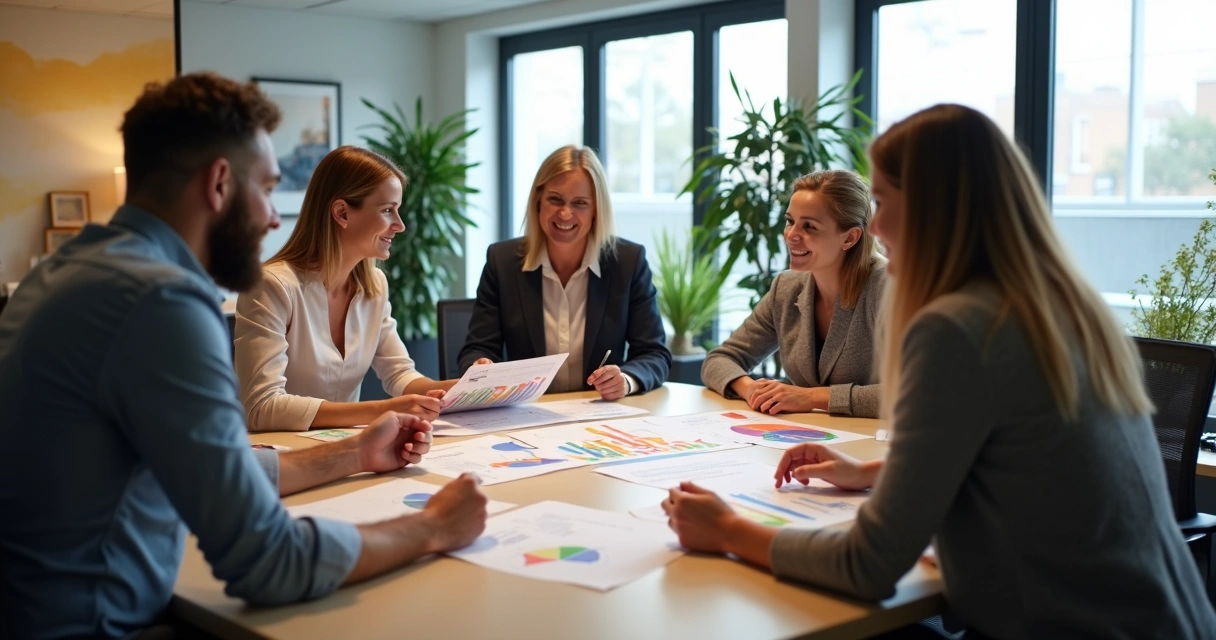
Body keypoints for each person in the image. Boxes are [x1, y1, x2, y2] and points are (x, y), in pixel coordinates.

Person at [662, 104, 1216, 638]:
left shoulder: (956, 328)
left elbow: (868, 564)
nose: (874, 227)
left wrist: (728, 530)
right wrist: (877, 470)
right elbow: (1010, 450)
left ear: (935, 207)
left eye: (881, 201)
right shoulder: (1059, 304)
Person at [0, 72, 488, 640]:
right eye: (266, 188)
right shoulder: (162, 303)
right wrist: (429, 527)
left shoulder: (57, 275)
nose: (273, 218)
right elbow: (269, 562)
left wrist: (353, 453)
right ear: (219, 183)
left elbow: (216, 464)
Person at [235, 145, 454, 432]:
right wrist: (383, 410)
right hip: (280, 458)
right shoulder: (271, 286)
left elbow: (400, 373)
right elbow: (263, 407)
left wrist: (461, 390)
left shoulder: (374, 285)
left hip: (350, 450)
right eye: (388, 210)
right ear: (342, 213)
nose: (399, 225)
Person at [459, 145, 671, 400]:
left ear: (596, 210)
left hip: (598, 414)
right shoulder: (502, 261)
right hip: (526, 414)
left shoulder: (628, 261)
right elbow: (478, 348)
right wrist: (481, 367)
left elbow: (654, 354)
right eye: (555, 199)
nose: (565, 213)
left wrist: (626, 380)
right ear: (538, 201)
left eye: (580, 203)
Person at [701, 169, 885, 417]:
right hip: (810, 436)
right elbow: (720, 359)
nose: (791, 235)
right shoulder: (787, 288)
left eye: (809, 226)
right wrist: (753, 390)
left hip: (878, 448)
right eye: (790, 221)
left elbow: (918, 393)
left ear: (850, 238)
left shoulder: (887, 287)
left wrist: (811, 397)